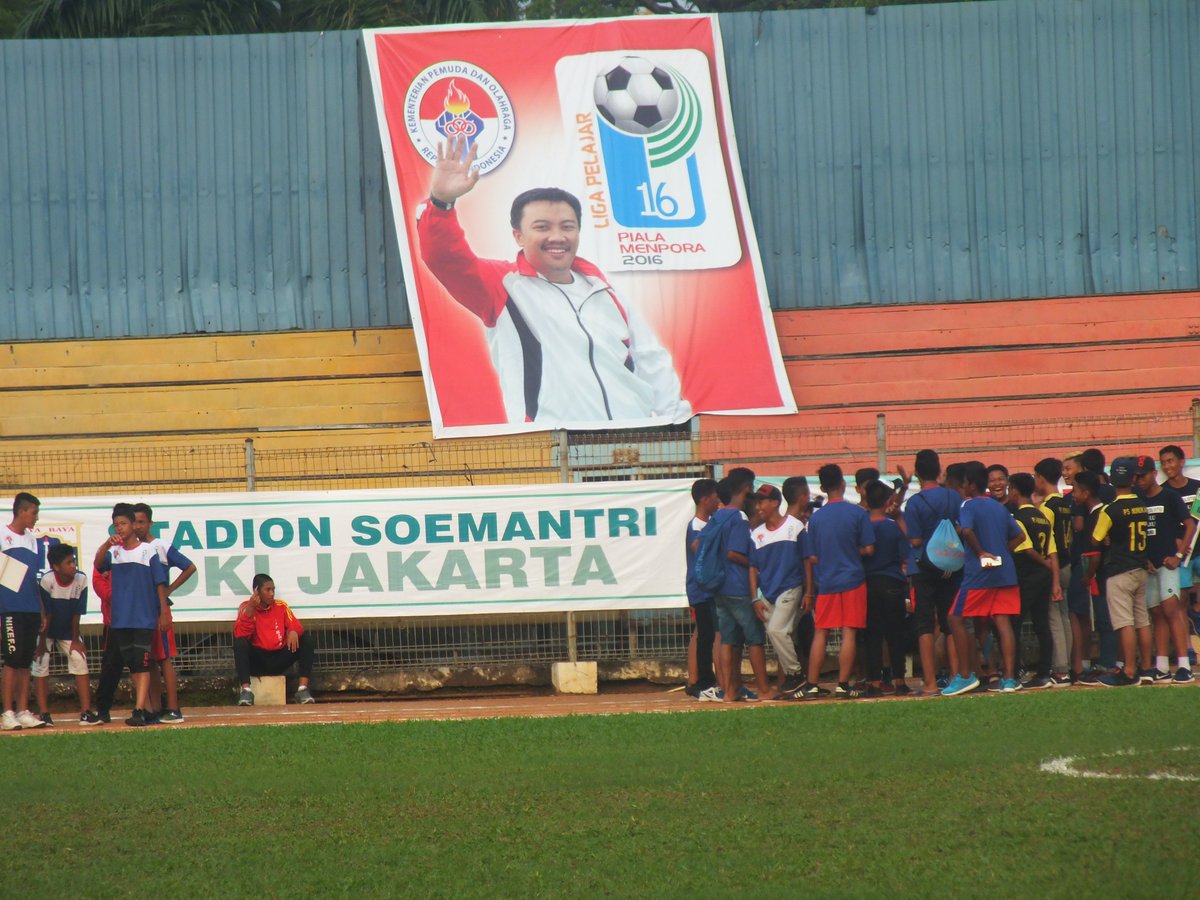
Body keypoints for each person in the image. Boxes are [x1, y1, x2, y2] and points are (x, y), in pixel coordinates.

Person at [416, 133, 690, 427]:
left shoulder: (605, 291)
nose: (557, 237)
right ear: (518, 236)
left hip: (630, 442)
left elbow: (650, 358)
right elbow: (445, 258)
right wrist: (441, 203)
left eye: (567, 227)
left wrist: (673, 424)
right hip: (554, 446)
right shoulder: (502, 286)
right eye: (542, 227)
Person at [943, 461, 1026, 696]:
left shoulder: (968, 505)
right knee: (1003, 623)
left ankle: (966, 675)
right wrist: (1000, 552)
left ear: (969, 485)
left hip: (979, 575)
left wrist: (981, 553)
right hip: (1005, 571)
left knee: (955, 619)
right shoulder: (999, 507)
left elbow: (967, 531)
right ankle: (1009, 679)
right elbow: (1019, 536)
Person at [798, 464, 875, 700]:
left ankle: (812, 683)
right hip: (853, 578)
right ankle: (843, 683)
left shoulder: (817, 519)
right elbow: (869, 549)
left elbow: (812, 556)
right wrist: (853, 552)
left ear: (822, 487)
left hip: (827, 582)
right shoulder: (857, 514)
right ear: (843, 484)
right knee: (849, 631)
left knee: (821, 632)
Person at [94, 503, 171, 726]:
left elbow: (159, 582)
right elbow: (99, 565)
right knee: (133, 665)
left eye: (124, 523)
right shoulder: (114, 553)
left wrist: (163, 611)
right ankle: (146, 710)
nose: (120, 528)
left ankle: (138, 709)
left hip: (143, 617)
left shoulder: (147, 551)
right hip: (121, 618)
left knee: (143, 663)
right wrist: (105, 545)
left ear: (132, 525)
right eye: (116, 524)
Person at [1085, 458, 1151, 687]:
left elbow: (1095, 540)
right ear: (1134, 478)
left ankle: (1129, 671)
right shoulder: (1142, 504)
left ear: (1111, 479)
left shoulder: (1110, 509)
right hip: (1141, 567)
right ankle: (1147, 668)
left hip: (1119, 570)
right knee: (1142, 621)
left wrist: (1108, 537)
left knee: (1125, 623)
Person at [707, 476, 773, 702]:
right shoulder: (739, 517)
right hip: (738, 585)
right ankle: (764, 689)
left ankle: (730, 691)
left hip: (719, 587)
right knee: (754, 638)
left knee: (728, 640)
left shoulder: (717, 516)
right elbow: (734, 552)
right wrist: (756, 565)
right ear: (744, 490)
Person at [903, 449, 962, 695]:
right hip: (952, 565)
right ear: (940, 470)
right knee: (951, 622)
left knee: (925, 625)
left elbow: (915, 541)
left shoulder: (915, 503)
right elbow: (961, 527)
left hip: (923, 567)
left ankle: (929, 683)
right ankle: (956, 675)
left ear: (916, 473)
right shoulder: (953, 497)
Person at [132, 503, 196, 723]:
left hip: (159, 610)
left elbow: (189, 566)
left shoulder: (160, 546)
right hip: (142, 611)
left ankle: (174, 708)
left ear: (150, 523)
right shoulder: (132, 548)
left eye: (142, 522)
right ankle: (156, 707)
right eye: (135, 522)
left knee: (165, 659)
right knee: (148, 660)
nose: (138, 526)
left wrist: (169, 589)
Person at [1133, 455, 1194, 683]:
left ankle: (1183, 665)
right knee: (1156, 613)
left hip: (1168, 563)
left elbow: (1189, 525)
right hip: (1148, 565)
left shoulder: (1169, 496)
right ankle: (1161, 666)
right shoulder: (1138, 499)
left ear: (1153, 473)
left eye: (1143, 475)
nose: (1139, 480)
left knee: (1171, 610)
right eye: (1136, 476)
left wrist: (1178, 555)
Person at [748, 484, 810, 697]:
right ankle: (796, 682)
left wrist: (809, 592)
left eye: (762, 501)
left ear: (775, 503)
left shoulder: (795, 526)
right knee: (783, 635)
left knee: (776, 631)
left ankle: (796, 675)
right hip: (767, 593)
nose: (758, 506)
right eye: (757, 502)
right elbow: (753, 568)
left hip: (791, 587)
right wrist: (755, 598)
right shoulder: (756, 534)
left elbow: (807, 560)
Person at [32, 544, 99, 725]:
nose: (73, 566)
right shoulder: (47, 581)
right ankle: (44, 713)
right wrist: (42, 644)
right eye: (68, 562)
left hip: (69, 630)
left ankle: (86, 712)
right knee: (40, 664)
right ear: (56, 567)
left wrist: (76, 639)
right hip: (46, 630)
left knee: (80, 660)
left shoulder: (81, 579)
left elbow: (77, 612)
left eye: (74, 561)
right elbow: (48, 614)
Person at [1008, 473, 1061, 689]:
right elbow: (1052, 551)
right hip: (1043, 578)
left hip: (1027, 574)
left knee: (1013, 623)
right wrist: (1053, 576)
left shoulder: (1018, 518)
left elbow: (1027, 548)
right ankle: (1044, 672)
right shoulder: (1041, 517)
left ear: (1015, 491)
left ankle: (1015, 669)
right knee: (1042, 623)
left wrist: (1043, 563)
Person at [1, 492, 48, 730]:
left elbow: (32, 578)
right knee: (12, 660)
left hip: (30, 608)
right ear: (21, 511)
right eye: (34, 513)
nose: (36, 518)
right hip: (10, 608)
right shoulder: (2, 535)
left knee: (25, 662)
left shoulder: (32, 540)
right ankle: (7, 712)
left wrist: (40, 609)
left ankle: (22, 710)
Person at [235, 574, 316, 706]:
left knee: (306, 639)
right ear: (257, 591)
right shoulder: (246, 607)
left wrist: (293, 631)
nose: (272, 593)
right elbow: (240, 633)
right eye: (268, 590)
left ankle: (302, 690)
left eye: (273, 589)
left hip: (279, 657)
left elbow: (295, 624)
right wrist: (251, 609)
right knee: (239, 643)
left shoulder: (281, 606)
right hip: (258, 659)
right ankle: (246, 691)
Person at [862, 480, 909, 696]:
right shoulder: (892, 526)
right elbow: (904, 552)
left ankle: (874, 683)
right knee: (896, 634)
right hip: (892, 582)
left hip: (868, 583)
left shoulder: (861, 525)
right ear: (888, 501)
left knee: (873, 635)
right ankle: (900, 681)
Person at [1034, 458, 1073, 685]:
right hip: (1068, 564)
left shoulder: (1048, 508)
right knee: (1064, 616)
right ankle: (1065, 664)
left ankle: (1060, 668)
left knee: (1054, 618)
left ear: (1040, 477)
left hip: (1055, 567)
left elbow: (1048, 543)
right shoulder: (1065, 503)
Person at [684, 479, 721, 700]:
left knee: (702, 634)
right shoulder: (697, 525)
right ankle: (704, 682)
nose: (717, 502)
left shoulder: (704, 523)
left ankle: (696, 680)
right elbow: (697, 547)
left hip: (704, 589)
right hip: (700, 590)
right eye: (715, 498)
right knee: (706, 636)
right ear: (705, 500)